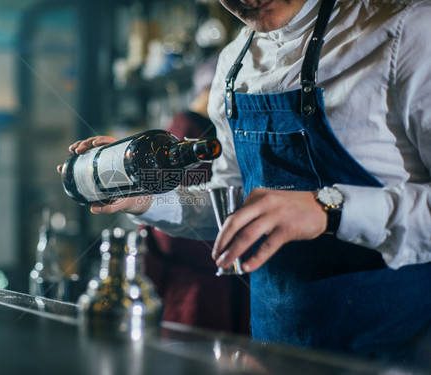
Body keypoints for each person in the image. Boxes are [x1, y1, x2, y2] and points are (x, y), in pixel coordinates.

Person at [62, 0, 431, 364]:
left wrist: (329, 210)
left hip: (396, 355)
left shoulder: (406, 31)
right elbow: (231, 209)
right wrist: (148, 200)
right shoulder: (232, 64)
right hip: (274, 353)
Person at [142, 56, 249, 334]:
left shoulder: (185, 127)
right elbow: (169, 239)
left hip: (202, 287)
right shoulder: (191, 131)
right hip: (199, 294)